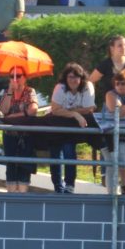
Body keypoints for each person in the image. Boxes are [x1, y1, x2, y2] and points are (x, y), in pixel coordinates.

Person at [48, 63, 95, 194]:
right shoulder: (60, 87)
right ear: (65, 78)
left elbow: (89, 109)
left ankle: (69, 185)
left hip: (73, 125)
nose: (73, 80)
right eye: (70, 77)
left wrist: (70, 111)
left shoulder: (87, 87)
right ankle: (57, 185)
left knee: (69, 151)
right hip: (57, 123)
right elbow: (55, 110)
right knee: (55, 154)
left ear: (81, 78)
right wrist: (75, 113)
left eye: (76, 77)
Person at [0, 67, 39, 193]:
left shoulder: (29, 91)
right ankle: (11, 194)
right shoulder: (7, 91)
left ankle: (22, 194)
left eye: (18, 76)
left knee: (24, 165)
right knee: (10, 164)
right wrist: (10, 91)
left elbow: (33, 110)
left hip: (25, 135)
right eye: (12, 76)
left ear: (25, 77)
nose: (15, 79)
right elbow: (4, 110)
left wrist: (13, 116)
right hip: (9, 134)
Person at [88, 35, 125, 104]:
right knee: (118, 110)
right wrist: (91, 98)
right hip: (112, 99)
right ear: (112, 48)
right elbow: (91, 80)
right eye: (120, 45)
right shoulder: (105, 64)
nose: (124, 48)